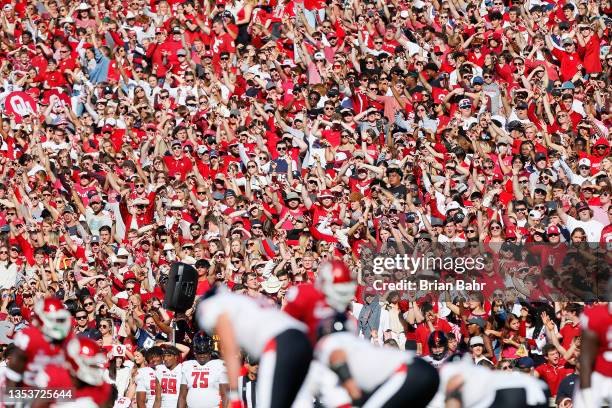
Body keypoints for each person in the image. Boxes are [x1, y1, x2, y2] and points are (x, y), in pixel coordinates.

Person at [197, 287, 312, 408]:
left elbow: (230, 352)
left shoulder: (214, 307)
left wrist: (235, 397)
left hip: (278, 343)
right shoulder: (244, 301)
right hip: (303, 338)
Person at [314, 314, 439, 407]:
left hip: (404, 373)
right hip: (423, 371)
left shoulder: (330, 341)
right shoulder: (356, 343)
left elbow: (337, 356)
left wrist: (354, 394)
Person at [7, 298, 72, 387]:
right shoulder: (27, 337)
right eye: (53, 318)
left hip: (60, 390)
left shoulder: (68, 337)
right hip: (32, 391)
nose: (57, 323)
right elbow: (13, 375)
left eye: (60, 319)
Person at [178, 332, 228, 408]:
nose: (202, 355)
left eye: (205, 353)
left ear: (210, 352)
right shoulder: (187, 365)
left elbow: (225, 395)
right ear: (195, 352)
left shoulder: (219, 365)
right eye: (199, 353)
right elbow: (182, 396)